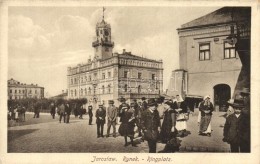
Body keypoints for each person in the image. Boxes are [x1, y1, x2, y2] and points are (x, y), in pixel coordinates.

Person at [239, 88, 250, 152]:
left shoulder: (249, 99)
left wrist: (241, 110)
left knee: (245, 140)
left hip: (247, 121)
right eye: (243, 94)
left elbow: (248, 111)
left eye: (244, 95)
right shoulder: (244, 99)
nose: (243, 96)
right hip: (243, 121)